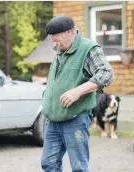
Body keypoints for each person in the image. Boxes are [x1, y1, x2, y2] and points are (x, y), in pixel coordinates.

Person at [41, 14, 114, 172]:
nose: (52, 41)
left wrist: (77, 91)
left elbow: (106, 74)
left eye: (55, 36)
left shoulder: (88, 49)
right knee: (49, 163)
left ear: (69, 32)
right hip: (53, 121)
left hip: (75, 119)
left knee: (79, 167)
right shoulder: (60, 51)